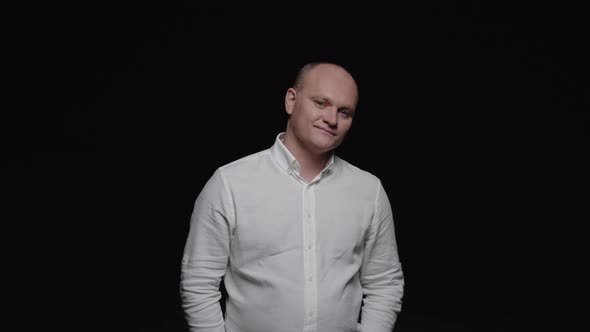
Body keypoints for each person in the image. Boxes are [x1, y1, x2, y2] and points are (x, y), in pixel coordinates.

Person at [180, 62, 404, 332]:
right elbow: (198, 282)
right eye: (321, 103)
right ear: (291, 101)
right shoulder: (230, 183)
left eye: (344, 112)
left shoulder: (369, 190)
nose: (331, 119)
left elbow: (384, 282)